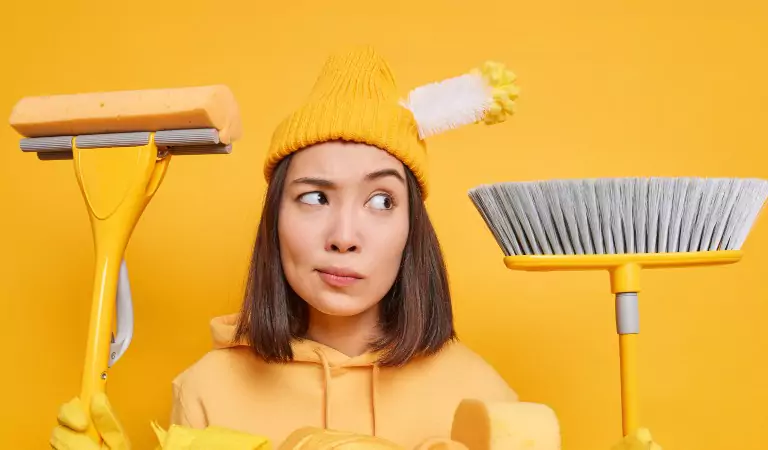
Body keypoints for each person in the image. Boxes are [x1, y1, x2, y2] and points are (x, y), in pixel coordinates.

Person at [50, 46, 660, 450]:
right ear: (275, 224)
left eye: (380, 202)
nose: (344, 234)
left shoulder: (481, 394)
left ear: (411, 234)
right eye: (314, 198)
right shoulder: (208, 389)